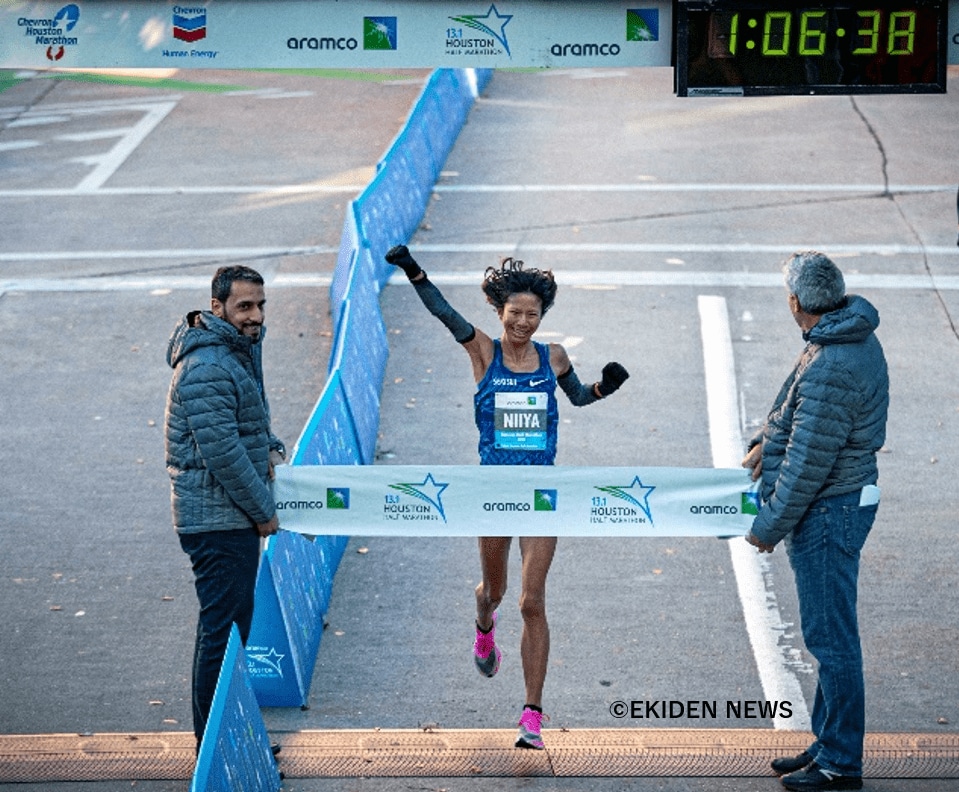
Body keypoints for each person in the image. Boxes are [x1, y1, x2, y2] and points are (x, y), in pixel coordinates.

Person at [385, 244, 629, 750]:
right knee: (494, 594)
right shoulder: (484, 352)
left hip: (542, 494)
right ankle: (482, 623)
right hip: (493, 493)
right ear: (499, 313)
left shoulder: (552, 356)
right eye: (514, 313)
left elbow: (578, 397)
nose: (523, 322)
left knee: (532, 601)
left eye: (532, 315)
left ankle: (532, 716)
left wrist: (604, 388)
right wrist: (413, 270)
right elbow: (443, 312)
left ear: (543, 316)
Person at [741, 251, 889, 792]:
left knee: (832, 641)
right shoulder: (843, 339)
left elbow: (809, 462)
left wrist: (768, 526)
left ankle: (840, 764)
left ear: (795, 303)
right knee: (831, 635)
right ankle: (828, 742)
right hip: (841, 501)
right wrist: (765, 439)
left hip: (831, 510)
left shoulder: (831, 361)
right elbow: (794, 410)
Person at [164, 265, 286, 750]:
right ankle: (213, 746)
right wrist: (263, 511)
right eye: (244, 307)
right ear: (217, 309)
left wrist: (271, 447)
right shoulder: (208, 365)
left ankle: (226, 736)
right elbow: (223, 454)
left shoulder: (235, 349)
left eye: (260, 305)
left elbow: (244, 423)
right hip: (216, 519)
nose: (255, 316)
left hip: (226, 514)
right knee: (221, 634)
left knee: (231, 629)